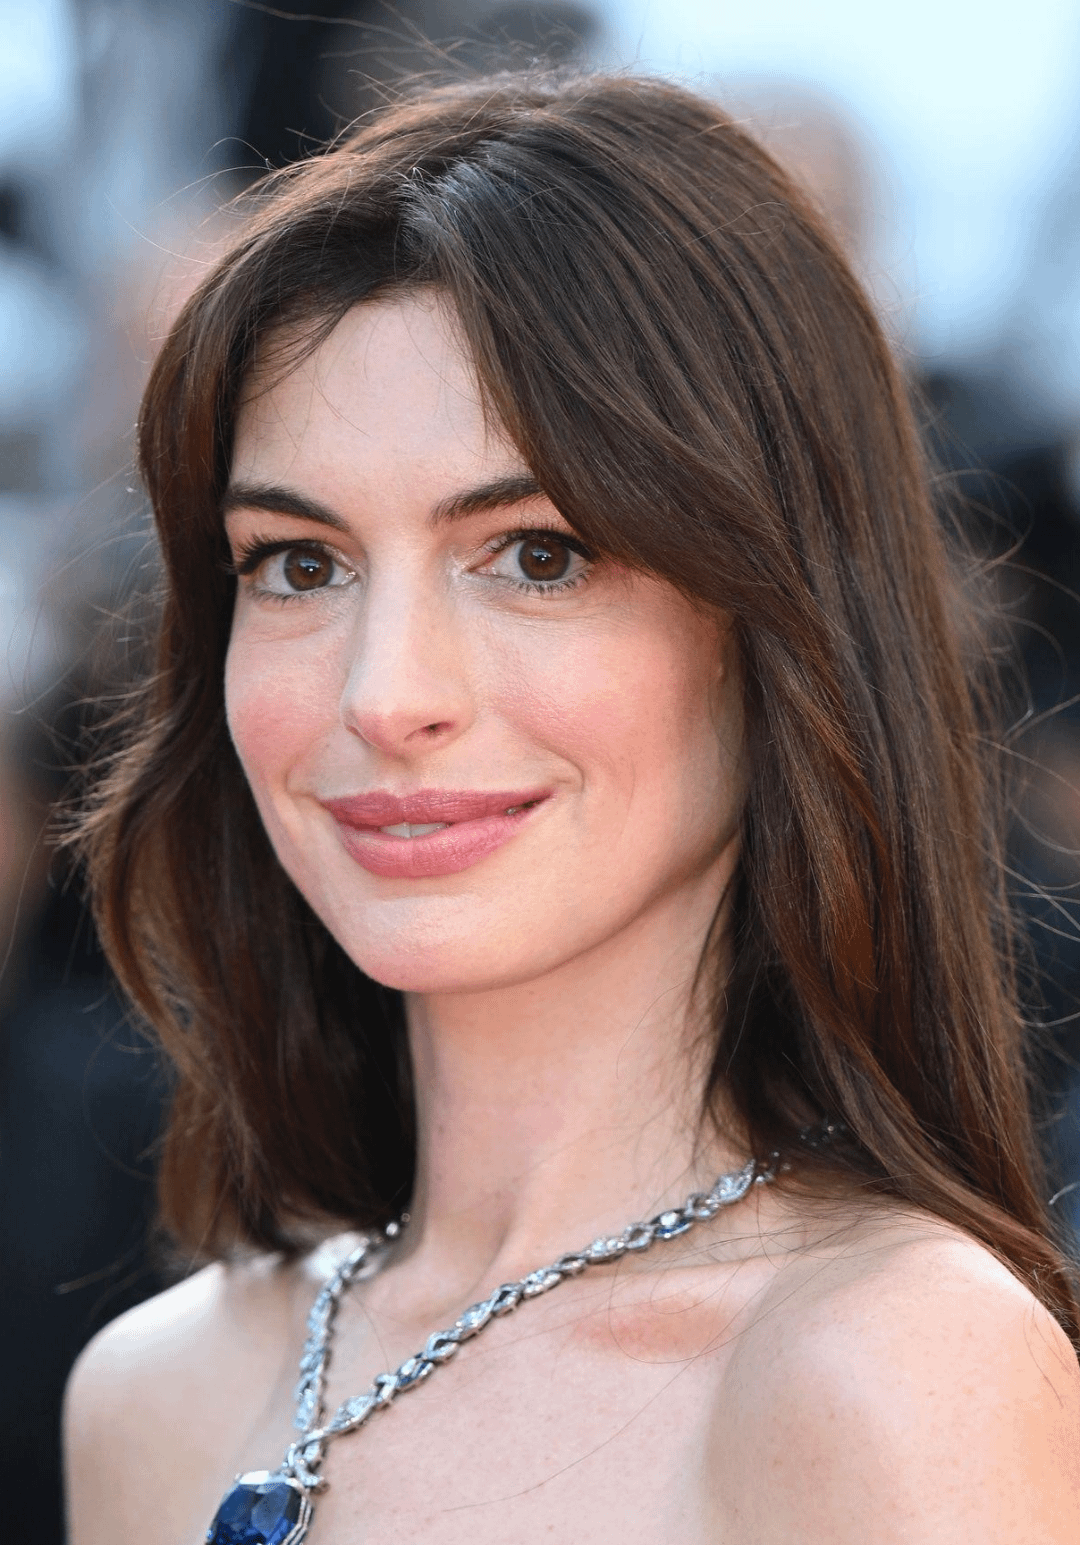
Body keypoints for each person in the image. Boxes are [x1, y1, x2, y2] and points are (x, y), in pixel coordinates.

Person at [62, 72, 1080, 1543]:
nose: (384, 694)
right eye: (298, 564)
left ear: (779, 621)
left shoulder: (891, 1373)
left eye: (538, 555)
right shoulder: (151, 1396)